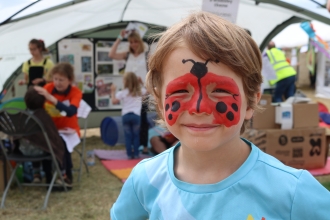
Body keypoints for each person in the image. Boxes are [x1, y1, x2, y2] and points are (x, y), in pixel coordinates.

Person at [110, 11, 330, 219]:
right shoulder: (144, 180)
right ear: (159, 101)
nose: (199, 108)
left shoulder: (291, 190)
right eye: (180, 91)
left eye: (221, 91)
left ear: (251, 101)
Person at [34, 62, 82, 188]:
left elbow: (71, 112)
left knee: (61, 142)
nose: (58, 82)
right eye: (55, 79)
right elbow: (36, 104)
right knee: (43, 141)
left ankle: (66, 176)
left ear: (70, 80)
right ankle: (46, 175)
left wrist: (52, 99)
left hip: (69, 131)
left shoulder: (75, 92)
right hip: (50, 129)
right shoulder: (48, 88)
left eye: (61, 80)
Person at [109, 30, 149, 155]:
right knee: (131, 119)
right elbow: (111, 54)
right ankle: (131, 147)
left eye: (136, 41)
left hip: (141, 90)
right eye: (131, 42)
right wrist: (119, 37)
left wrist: (145, 84)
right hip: (128, 91)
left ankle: (144, 145)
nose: (134, 44)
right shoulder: (127, 55)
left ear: (140, 41)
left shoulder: (146, 55)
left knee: (142, 119)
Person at [22, 87, 66, 184]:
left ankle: (36, 174)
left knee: (32, 139)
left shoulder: (22, 115)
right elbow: (53, 135)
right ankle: (62, 174)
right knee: (59, 144)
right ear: (43, 101)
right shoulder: (43, 116)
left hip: (23, 151)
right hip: (41, 151)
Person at [110, 72, 146, 159]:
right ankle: (136, 154)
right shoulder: (140, 91)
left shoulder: (123, 92)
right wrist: (141, 82)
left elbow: (114, 101)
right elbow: (149, 90)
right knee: (136, 135)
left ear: (125, 81)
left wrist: (112, 91)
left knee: (128, 136)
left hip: (126, 115)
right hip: (136, 116)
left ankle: (129, 154)